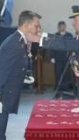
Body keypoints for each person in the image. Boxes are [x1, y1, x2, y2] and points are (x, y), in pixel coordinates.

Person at [27, 5, 79, 113]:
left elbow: (68, 43)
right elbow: (66, 40)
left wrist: (40, 39)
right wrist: (43, 36)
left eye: (75, 20)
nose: (73, 23)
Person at [0, 10, 41, 140]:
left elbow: (14, 65)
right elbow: (2, 71)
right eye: (36, 25)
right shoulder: (14, 43)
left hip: (8, 92)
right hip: (3, 94)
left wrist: (24, 75)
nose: (38, 28)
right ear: (26, 25)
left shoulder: (21, 41)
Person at [51, 21, 73, 91]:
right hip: (58, 58)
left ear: (65, 27)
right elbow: (52, 47)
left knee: (67, 74)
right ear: (58, 27)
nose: (62, 28)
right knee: (58, 73)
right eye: (60, 26)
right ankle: (58, 88)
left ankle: (66, 88)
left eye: (63, 26)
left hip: (67, 58)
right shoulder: (55, 35)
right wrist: (52, 57)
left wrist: (71, 57)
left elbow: (72, 47)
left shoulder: (69, 35)